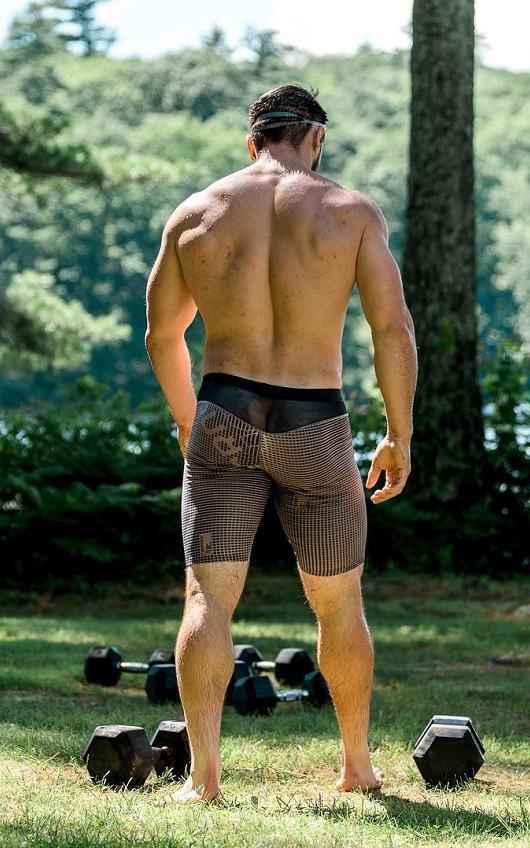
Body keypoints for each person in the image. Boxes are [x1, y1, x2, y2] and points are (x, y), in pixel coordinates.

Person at [144, 84, 417, 803]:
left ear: (252, 141)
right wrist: (398, 433)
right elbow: (392, 329)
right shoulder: (350, 211)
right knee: (338, 603)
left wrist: (184, 419)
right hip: (315, 423)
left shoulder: (197, 213)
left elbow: (161, 334)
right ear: (316, 139)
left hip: (224, 411)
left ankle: (203, 779)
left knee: (207, 600)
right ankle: (357, 767)